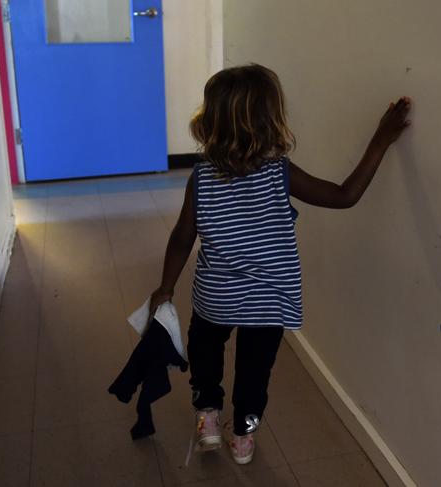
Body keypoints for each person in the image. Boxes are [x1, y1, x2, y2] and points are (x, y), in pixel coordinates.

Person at [148, 63, 411, 465]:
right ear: (270, 121)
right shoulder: (280, 174)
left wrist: (165, 287)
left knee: (205, 352)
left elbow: (184, 235)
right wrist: (381, 140)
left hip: (215, 297)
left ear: (211, 122)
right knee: (255, 373)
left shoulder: (200, 178)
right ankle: (244, 434)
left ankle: (208, 413)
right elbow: (344, 195)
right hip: (267, 303)